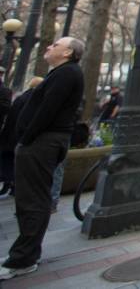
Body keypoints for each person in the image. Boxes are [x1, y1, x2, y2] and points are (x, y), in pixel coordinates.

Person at [0, 37, 84, 281]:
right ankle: (23, 254)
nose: (49, 47)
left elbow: (47, 109)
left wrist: (26, 138)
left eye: (55, 45)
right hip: (40, 142)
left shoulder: (67, 74)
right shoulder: (62, 73)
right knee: (31, 199)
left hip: (42, 143)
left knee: (33, 200)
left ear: (67, 52)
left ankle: (23, 258)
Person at [0, 77, 43, 198]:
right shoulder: (35, 100)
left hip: (10, 136)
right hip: (19, 136)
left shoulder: (21, 98)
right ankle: (13, 185)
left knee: (9, 161)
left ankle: (8, 184)